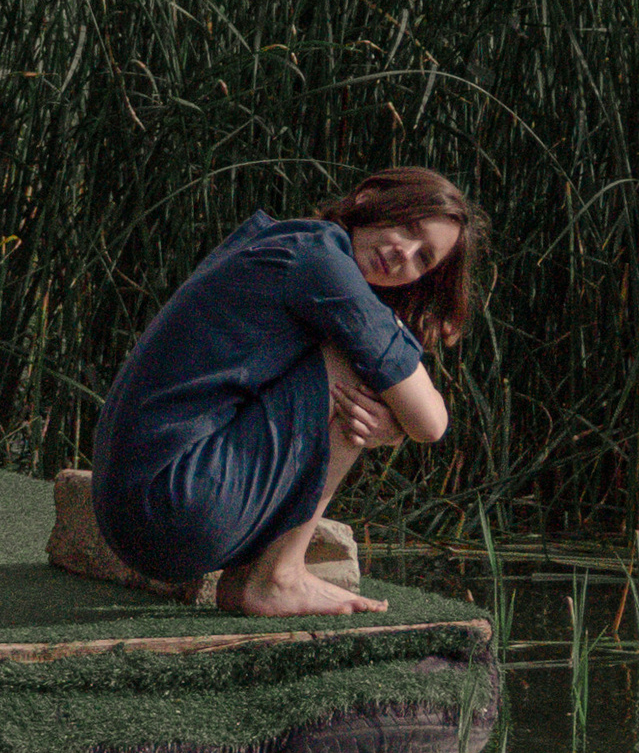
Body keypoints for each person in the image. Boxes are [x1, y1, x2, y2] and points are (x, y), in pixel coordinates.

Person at [89, 166, 484, 618]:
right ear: (368, 198)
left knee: (368, 367)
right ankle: (278, 576)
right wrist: (393, 425)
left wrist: (393, 422)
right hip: (172, 507)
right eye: (409, 228)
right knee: (359, 368)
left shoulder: (288, 240)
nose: (403, 255)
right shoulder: (321, 263)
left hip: (133, 508)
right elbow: (432, 424)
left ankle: (254, 574)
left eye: (423, 259)